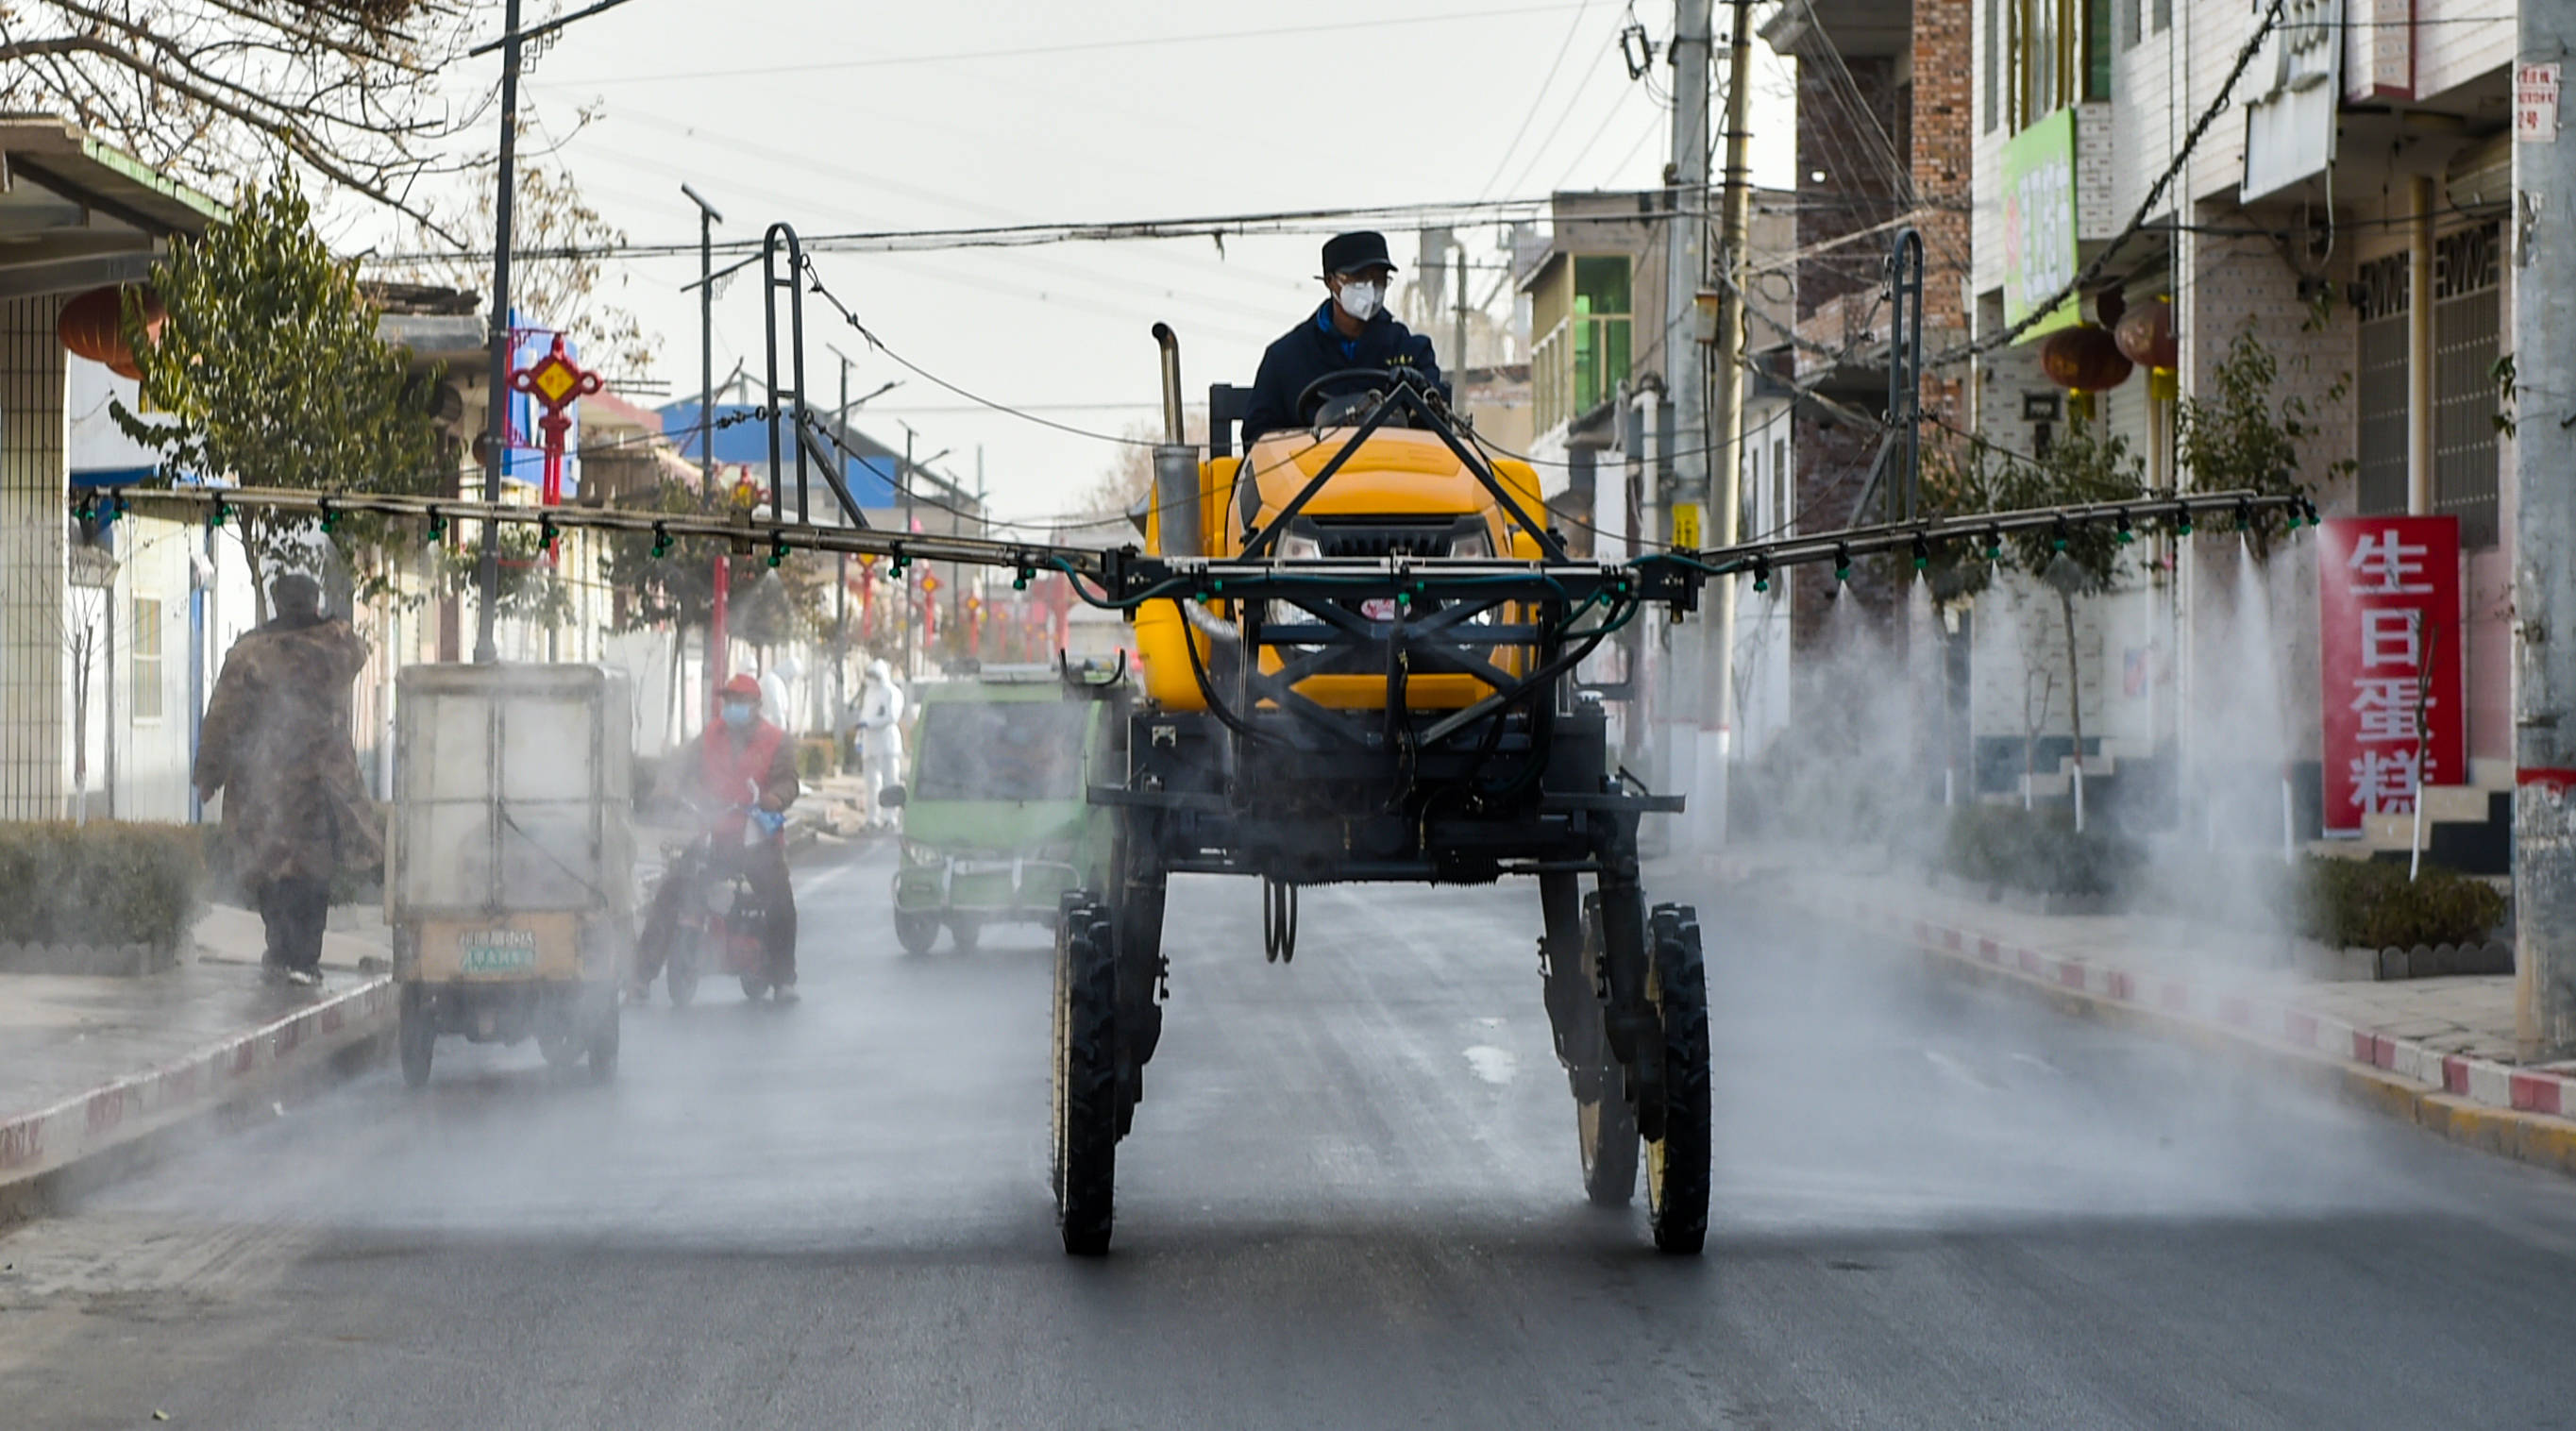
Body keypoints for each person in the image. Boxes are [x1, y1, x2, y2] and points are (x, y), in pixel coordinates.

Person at [194, 574, 381, 989]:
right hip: (324, 781)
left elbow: (223, 717)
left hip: (268, 783)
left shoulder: (252, 655)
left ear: (277, 602)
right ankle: (305, 959)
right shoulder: (338, 646)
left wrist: (210, 774)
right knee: (315, 872)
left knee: (274, 872)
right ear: (314, 603)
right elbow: (357, 649)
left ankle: (281, 954)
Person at [633, 674, 801, 1002]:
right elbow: (682, 763)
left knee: (781, 902)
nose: (733, 708)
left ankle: (784, 979)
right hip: (714, 836)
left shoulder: (776, 740)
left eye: (740, 702)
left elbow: (789, 781)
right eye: (729, 701)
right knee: (671, 891)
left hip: (756, 844)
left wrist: (776, 798)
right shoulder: (711, 735)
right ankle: (641, 978)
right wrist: (666, 783)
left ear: (756, 706)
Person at [1238, 230, 1443, 446]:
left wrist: (1422, 392)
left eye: (1379, 279)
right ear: (1331, 281)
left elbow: (1442, 427)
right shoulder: (1285, 358)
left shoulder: (1411, 350)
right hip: (1313, 476)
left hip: (1395, 474)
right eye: (1360, 279)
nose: (1371, 289)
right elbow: (1258, 441)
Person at [856, 658, 906, 831]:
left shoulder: (892, 693)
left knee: (890, 782)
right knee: (871, 784)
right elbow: (864, 717)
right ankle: (872, 818)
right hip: (870, 743)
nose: (873, 679)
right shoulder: (870, 693)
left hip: (887, 743)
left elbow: (891, 717)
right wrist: (859, 738)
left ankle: (890, 818)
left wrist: (870, 724)